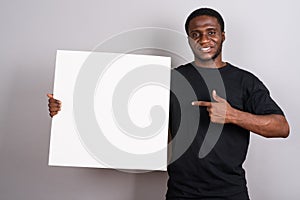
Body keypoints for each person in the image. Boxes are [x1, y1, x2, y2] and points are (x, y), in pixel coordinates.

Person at [48, 8, 290, 200]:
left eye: (211, 32)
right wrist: (66, 111)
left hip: (231, 192)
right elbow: (113, 111)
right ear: (189, 39)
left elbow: (281, 127)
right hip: (181, 192)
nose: (204, 39)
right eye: (196, 34)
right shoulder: (170, 78)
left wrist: (233, 115)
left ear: (223, 35)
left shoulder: (244, 81)